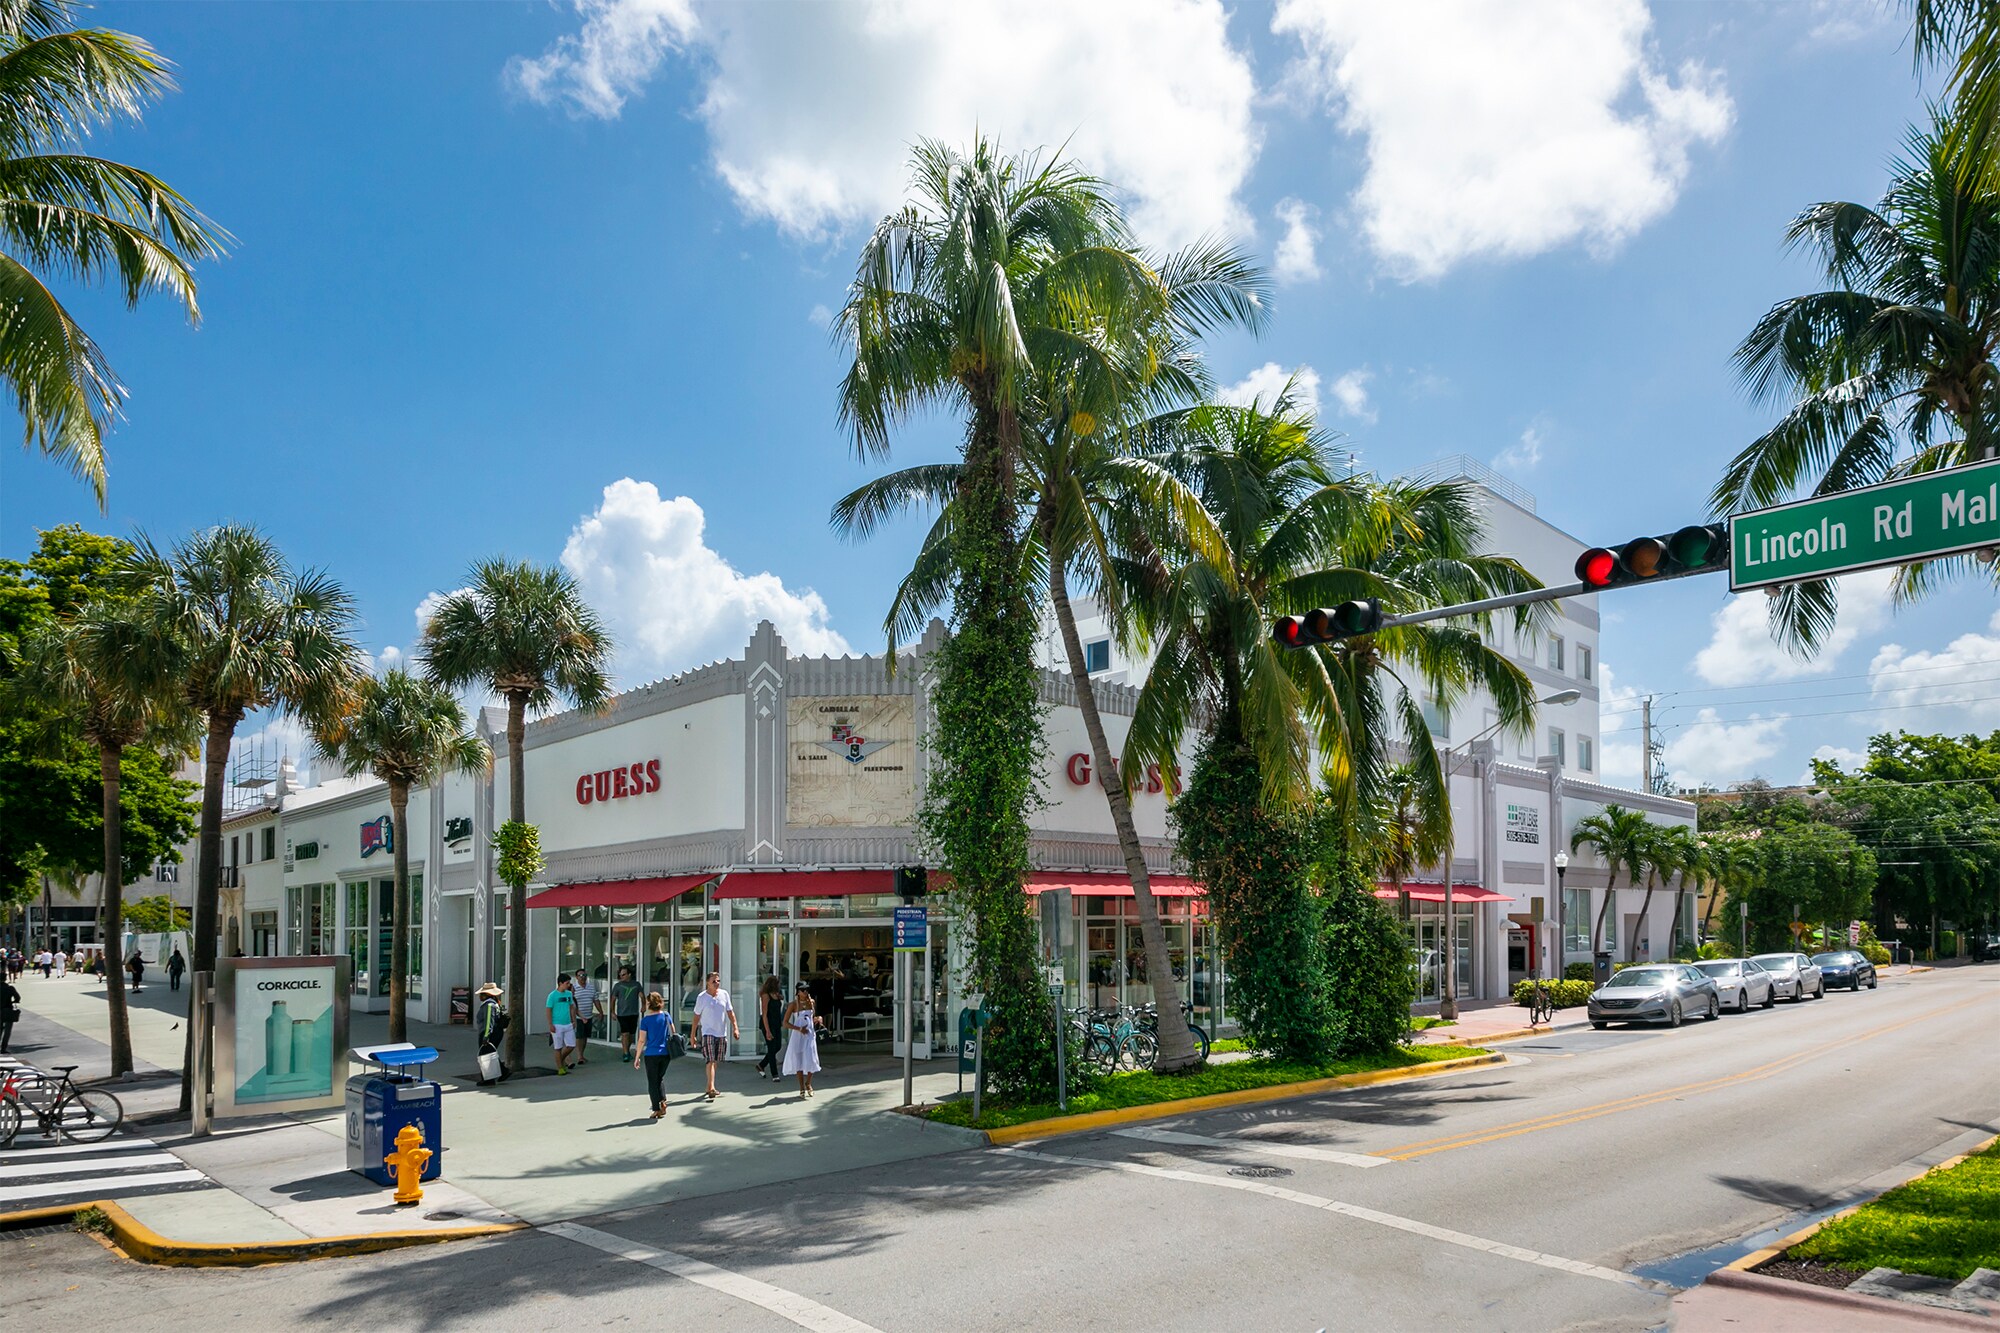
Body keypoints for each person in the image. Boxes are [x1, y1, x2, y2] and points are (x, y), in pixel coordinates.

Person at [689, 971, 738, 1101]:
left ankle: (709, 1085)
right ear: (707, 983)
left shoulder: (724, 995)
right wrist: (692, 1035)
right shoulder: (702, 997)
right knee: (710, 1060)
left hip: (721, 1032)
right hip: (708, 1032)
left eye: (718, 981)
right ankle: (711, 1087)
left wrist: (735, 1028)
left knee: (715, 1060)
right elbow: (696, 1017)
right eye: (713, 981)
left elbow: (730, 1012)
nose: (716, 983)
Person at [632, 990, 678, 1119]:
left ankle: (656, 1108)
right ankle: (662, 1101)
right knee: (659, 1078)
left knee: (652, 1082)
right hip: (665, 1053)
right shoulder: (666, 1016)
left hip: (651, 1054)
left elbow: (642, 1040)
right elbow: (673, 1032)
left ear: (648, 1004)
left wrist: (637, 1057)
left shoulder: (646, 1020)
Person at [781, 982, 822, 1099]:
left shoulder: (811, 1002)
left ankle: (808, 1083)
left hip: (809, 1035)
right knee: (798, 1060)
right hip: (798, 1035)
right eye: (802, 990)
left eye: (806, 990)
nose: (805, 992)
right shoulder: (793, 1005)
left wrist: (817, 1019)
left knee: (811, 1058)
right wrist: (798, 1029)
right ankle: (801, 1087)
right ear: (798, 992)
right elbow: (785, 1023)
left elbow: (811, 1018)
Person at [474, 981, 508, 1085]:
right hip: (495, 1032)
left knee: (486, 1055)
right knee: (490, 1054)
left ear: (486, 995)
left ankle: (489, 1079)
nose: (480, 996)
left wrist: (486, 1036)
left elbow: (489, 1021)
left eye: (481, 994)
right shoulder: (493, 1004)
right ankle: (501, 1072)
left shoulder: (489, 1005)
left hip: (489, 1033)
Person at [546, 973, 578, 1075]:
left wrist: (574, 1020)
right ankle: (560, 1067)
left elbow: (572, 1007)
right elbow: (548, 1010)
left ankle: (562, 1059)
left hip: (568, 1023)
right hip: (557, 1024)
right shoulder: (552, 995)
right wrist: (550, 1024)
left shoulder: (569, 994)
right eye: (567, 983)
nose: (568, 985)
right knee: (558, 1047)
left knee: (571, 1045)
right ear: (560, 983)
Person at [610, 965, 644, 1060]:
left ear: (629, 974)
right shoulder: (618, 986)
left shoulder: (636, 984)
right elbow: (613, 999)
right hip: (622, 1013)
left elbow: (642, 995)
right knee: (625, 1033)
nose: (622, 977)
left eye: (624, 975)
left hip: (633, 1013)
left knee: (631, 1034)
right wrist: (612, 1011)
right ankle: (625, 1053)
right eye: (620, 975)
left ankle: (627, 1050)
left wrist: (644, 1005)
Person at [754, 976, 784, 1080]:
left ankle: (761, 1065)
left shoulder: (776, 994)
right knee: (771, 1048)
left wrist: (779, 997)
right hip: (768, 1024)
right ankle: (774, 1074)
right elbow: (765, 1014)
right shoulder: (765, 996)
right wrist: (767, 1030)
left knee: (778, 1046)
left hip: (776, 1023)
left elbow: (781, 1001)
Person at [571, 968, 598, 1065]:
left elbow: (596, 1000)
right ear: (577, 977)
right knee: (579, 1036)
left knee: (585, 1036)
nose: (583, 978)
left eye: (584, 975)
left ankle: (582, 1054)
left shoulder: (591, 987)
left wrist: (600, 1011)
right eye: (581, 976)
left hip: (589, 1015)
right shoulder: (573, 988)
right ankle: (579, 1056)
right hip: (578, 1017)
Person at [0, 972, 19, 1054]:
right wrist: (14, 1001)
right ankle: (3, 1048)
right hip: (7, 1009)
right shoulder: (10, 988)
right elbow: (17, 997)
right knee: (7, 1031)